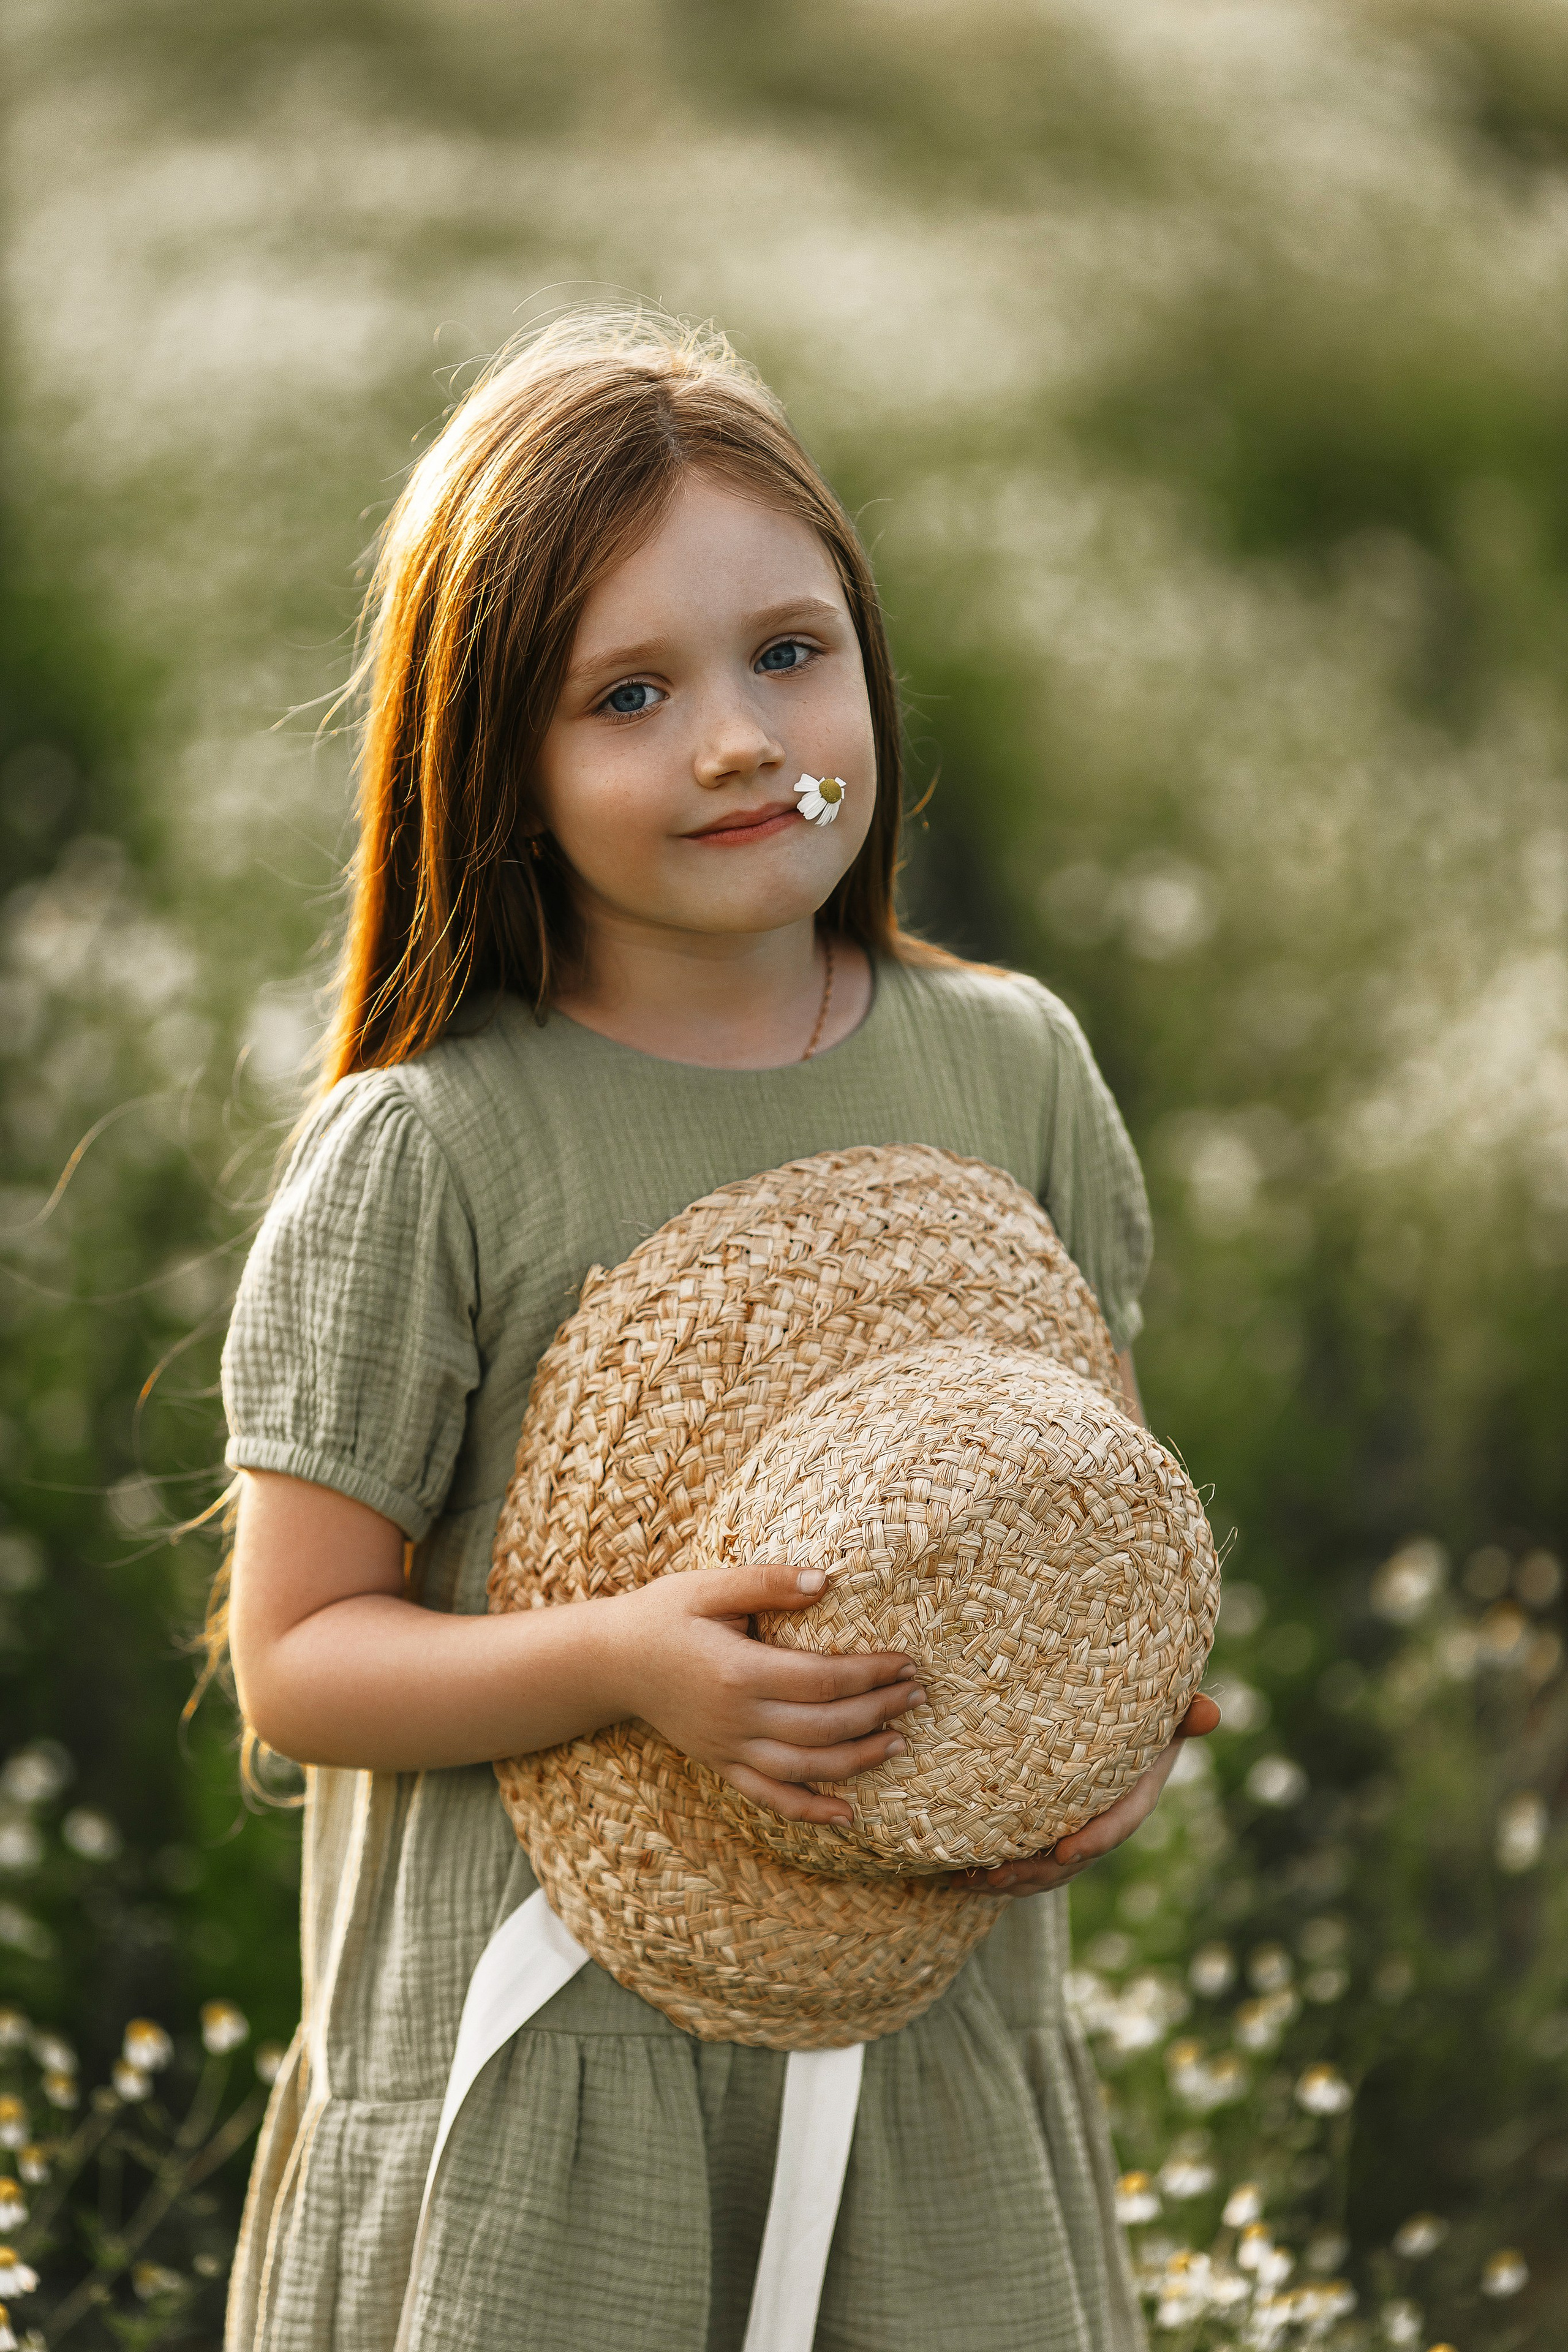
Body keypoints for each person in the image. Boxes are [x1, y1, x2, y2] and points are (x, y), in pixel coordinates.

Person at [216, 309, 1215, 2352]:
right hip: (555, 2086)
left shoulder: (1015, 1066)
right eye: (630, 695)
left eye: (788, 653)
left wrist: (1112, 1725)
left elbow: (1091, 1504)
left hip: (928, 2055)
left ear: (868, 662)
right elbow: (299, 1658)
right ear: (495, 762)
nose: (742, 741)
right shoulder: (435, 1149)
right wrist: (626, 1665)